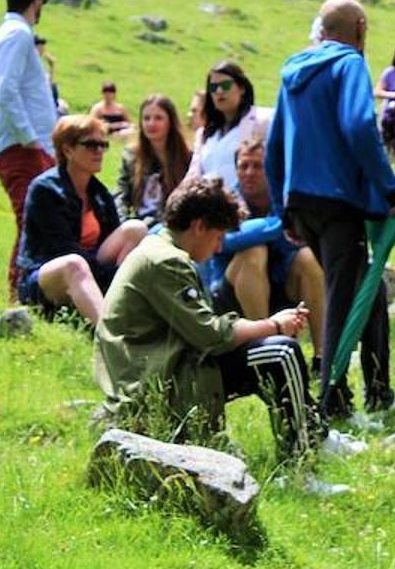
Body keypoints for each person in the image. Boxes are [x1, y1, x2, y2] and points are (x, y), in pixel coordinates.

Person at [94, 175, 323, 458]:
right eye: (218, 237)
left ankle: (315, 431)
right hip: (157, 383)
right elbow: (210, 337)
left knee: (271, 354)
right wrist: (273, 325)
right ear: (199, 226)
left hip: (164, 366)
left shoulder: (159, 251)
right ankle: (303, 461)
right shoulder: (166, 261)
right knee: (280, 353)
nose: (218, 248)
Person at [266, 0, 395, 419]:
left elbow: (276, 144)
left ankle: (379, 388)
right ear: (361, 28)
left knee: (371, 289)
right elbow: (359, 125)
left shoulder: (293, 71)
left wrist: (283, 210)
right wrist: (392, 189)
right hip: (338, 200)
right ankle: (331, 400)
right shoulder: (350, 64)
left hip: (301, 201)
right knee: (342, 295)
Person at [207, 138, 326, 372]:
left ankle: (323, 358)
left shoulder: (284, 200)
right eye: (243, 166)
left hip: (277, 287)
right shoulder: (226, 202)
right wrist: (277, 226)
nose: (249, 173)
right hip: (229, 296)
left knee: (307, 258)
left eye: (257, 166)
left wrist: (273, 228)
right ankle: (267, 349)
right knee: (253, 252)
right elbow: (225, 242)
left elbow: (298, 241)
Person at [15, 116, 148, 324]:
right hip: (47, 277)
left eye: (103, 145)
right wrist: (110, 274)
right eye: (91, 145)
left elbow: (112, 238)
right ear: (67, 150)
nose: (99, 151)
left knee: (135, 228)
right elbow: (61, 250)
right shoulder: (45, 190)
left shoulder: (100, 193)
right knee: (74, 264)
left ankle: (120, 306)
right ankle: (109, 335)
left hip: (92, 268)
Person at [0, 0, 59, 297]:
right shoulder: (18, 34)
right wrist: (30, 138)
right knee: (32, 219)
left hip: (21, 144)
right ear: (35, 0)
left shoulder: (10, 32)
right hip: (21, 147)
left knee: (37, 218)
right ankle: (19, 295)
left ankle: (27, 293)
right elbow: (5, 90)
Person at [188, 61, 270, 191]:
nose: (219, 91)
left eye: (225, 85)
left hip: (250, 206)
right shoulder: (205, 134)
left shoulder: (264, 120)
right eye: (213, 87)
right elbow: (193, 175)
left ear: (241, 88)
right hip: (210, 206)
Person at [114, 95, 191, 227]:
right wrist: (123, 221)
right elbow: (121, 194)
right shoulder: (131, 156)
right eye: (146, 118)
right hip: (136, 225)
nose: (151, 123)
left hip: (170, 225)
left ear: (170, 122)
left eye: (158, 118)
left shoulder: (187, 158)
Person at [33, 35, 68, 115]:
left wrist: (52, 67)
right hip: (39, 103)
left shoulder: (40, 65)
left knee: (63, 106)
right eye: (40, 48)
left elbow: (50, 87)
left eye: (43, 48)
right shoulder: (31, 65)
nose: (42, 51)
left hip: (48, 100)